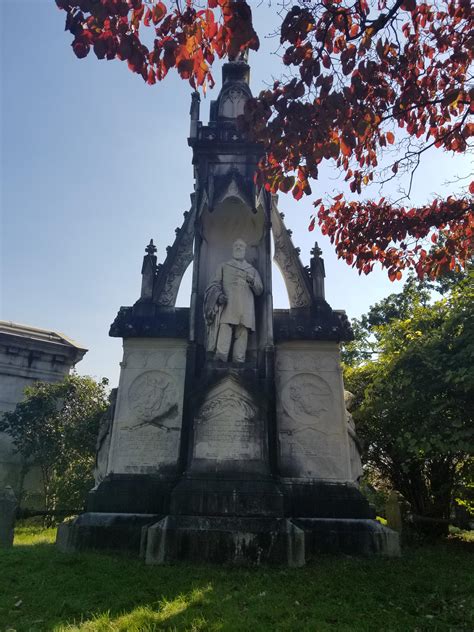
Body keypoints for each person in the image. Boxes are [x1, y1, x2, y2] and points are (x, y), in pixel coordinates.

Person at [204, 238, 263, 362]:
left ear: (245, 250)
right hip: (228, 304)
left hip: (246, 306)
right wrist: (219, 296)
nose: (238, 248)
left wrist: (252, 281)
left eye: (241, 246)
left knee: (242, 333)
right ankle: (220, 358)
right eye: (236, 245)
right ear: (232, 249)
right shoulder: (224, 266)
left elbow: (259, 290)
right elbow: (214, 284)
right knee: (225, 328)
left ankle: (239, 361)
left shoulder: (251, 270)